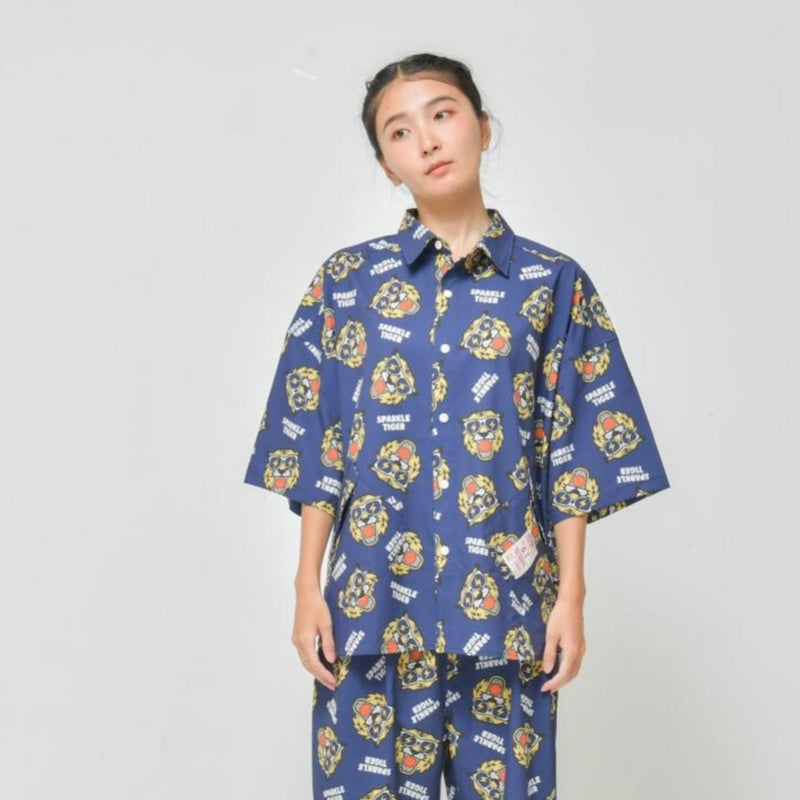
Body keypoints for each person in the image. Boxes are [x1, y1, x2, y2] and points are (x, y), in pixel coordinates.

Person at [243, 52, 670, 800]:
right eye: (400, 131)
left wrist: (571, 599)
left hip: (507, 610)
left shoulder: (552, 283)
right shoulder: (346, 283)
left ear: (482, 126)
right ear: (388, 166)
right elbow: (317, 444)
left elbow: (572, 454)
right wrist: (306, 588)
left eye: (442, 114)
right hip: (371, 604)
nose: (429, 140)